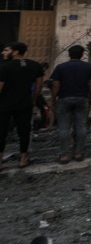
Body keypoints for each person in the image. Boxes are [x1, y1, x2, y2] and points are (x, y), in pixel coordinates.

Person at [49, 45, 91, 163]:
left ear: (69, 54)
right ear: (82, 55)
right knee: (81, 126)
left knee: (64, 128)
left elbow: (56, 85)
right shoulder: (89, 67)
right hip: (82, 99)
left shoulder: (60, 67)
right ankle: (78, 153)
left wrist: (53, 100)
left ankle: (64, 155)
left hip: (64, 98)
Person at [0, 42, 45, 170]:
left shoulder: (5, 67)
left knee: (1, 132)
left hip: (4, 105)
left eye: (7, 50)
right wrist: (34, 98)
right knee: (24, 132)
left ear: (15, 52)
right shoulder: (35, 65)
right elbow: (39, 85)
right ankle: (23, 159)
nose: (4, 53)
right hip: (25, 104)